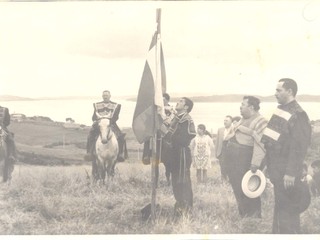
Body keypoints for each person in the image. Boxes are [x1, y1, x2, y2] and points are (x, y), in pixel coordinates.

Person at [261, 78, 312, 234]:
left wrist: (290, 173)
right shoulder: (282, 110)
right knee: (281, 208)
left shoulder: (298, 114)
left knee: (288, 213)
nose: (275, 93)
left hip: (287, 174)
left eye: (279, 90)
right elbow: (271, 143)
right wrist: (264, 166)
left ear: (290, 91)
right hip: (277, 171)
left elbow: (299, 147)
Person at [224, 96, 268, 218]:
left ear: (251, 107)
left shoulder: (261, 121)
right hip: (235, 161)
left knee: (249, 189)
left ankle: (253, 217)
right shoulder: (241, 120)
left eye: (243, 105)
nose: (240, 107)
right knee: (238, 189)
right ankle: (243, 215)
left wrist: (255, 163)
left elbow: (261, 144)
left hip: (246, 161)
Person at [163, 97, 196, 217]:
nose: (178, 102)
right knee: (176, 180)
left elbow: (186, 136)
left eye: (181, 101)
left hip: (181, 153)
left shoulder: (187, 119)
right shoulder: (177, 118)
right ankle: (180, 205)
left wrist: (169, 137)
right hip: (175, 152)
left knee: (183, 181)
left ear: (186, 107)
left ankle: (186, 207)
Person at [84, 90, 127, 162]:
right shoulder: (96, 105)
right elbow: (94, 117)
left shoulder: (116, 105)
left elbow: (116, 117)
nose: (105, 97)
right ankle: (89, 153)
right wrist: (98, 121)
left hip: (110, 124)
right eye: (104, 96)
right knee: (90, 136)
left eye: (106, 95)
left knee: (120, 136)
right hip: (100, 124)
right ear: (102, 96)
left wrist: (109, 121)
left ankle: (120, 154)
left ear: (110, 96)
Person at [215, 115, 233, 182]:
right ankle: (223, 181)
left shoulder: (234, 129)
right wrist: (216, 153)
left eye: (227, 120)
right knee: (222, 166)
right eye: (224, 120)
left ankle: (230, 181)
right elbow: (217, 142)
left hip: (230, 152)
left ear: (231, 122)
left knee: (230, 166)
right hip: (221, 152)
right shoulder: (220, 129)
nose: (225, 122)